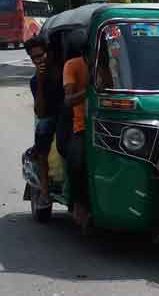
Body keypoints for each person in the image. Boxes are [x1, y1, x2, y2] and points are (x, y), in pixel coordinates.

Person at [26, 35, 62, 208]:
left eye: (41, 55)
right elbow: (39, 112)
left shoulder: (62, 69)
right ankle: (45, 194)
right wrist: (40, 83)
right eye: (34, 58)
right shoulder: (35, 81)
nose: (39, 60)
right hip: (49, 117)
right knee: (42, 142)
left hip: (67, 114)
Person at [62, 29, 90, 228]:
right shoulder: (73, 65)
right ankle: (78, 203)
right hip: (83, 126)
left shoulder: (113, 63)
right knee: (77, 161)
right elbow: (69, 100)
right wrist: (90, 91)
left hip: (112, 124)